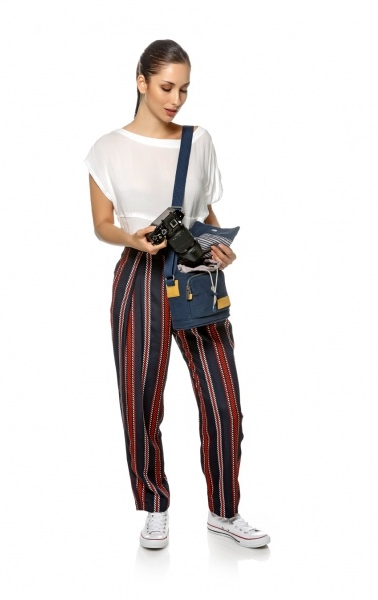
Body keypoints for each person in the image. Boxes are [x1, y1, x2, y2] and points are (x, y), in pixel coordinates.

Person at [84, 39, 270, 550]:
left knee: (223, 399)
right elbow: (101, 223)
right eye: (167, 87)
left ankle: (225, 511)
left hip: (193, 276)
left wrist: (217, 248)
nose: (176, 99)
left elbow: (204, 212)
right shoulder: (106, 149)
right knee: (141, 400)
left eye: (184, 89)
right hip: (139, 275)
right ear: (141, 81)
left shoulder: (199, 140)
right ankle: (154, 507)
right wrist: (134, 238)